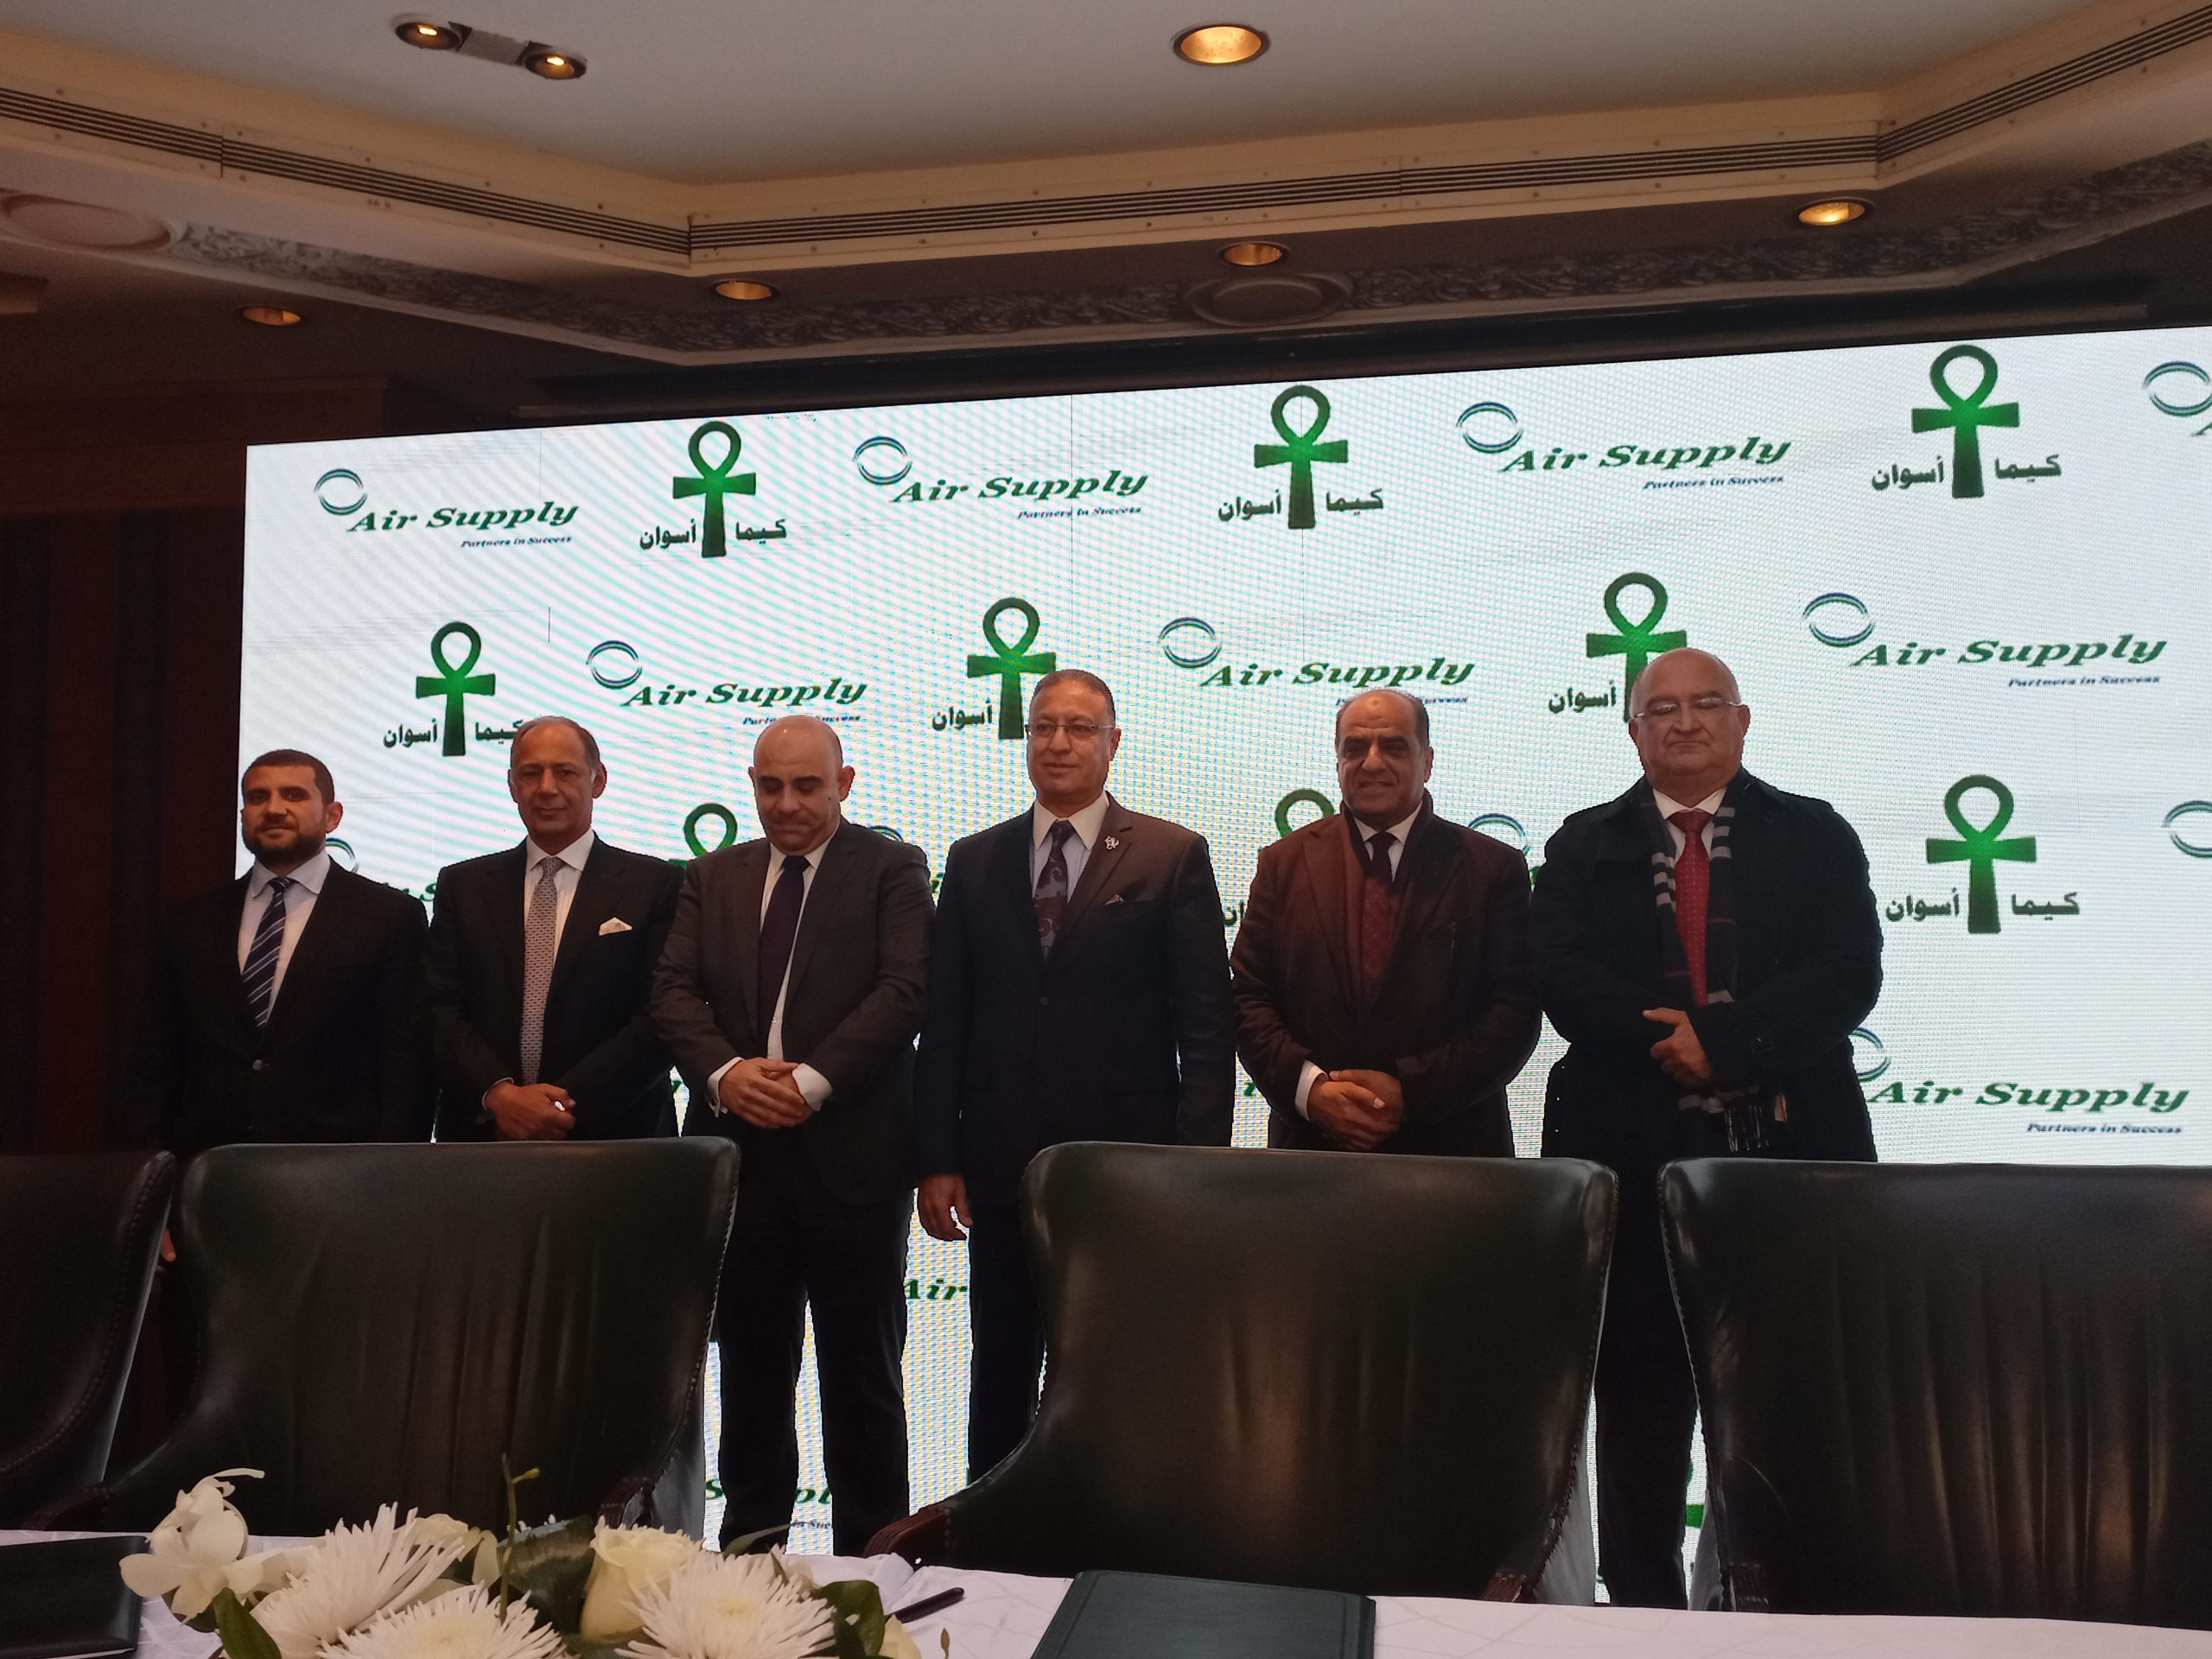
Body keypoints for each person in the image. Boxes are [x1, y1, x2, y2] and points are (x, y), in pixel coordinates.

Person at [1530, 646, 1882, 1608]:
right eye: (1662, 709)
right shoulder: (1582, 843)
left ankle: (1774, 1604)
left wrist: (1725, 1043)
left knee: (1785, 1396)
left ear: (1742, 720)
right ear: (1633, 731)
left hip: (1788, 1163)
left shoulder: (1814, 834)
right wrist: (1672, 1042)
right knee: (1639, 1399)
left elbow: (1847, 972)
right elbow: (1559, 975)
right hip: (1629, 1158)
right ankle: (1643, 1608)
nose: (1684, 722)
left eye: (1707, 703)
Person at [914, 669, 1236, 1480]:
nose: (1058, 743)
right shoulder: (974, 859)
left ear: (1113, 742)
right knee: (999, 1377)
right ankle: (993, 1536)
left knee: (1115, 1375)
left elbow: (1206, 1027)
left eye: (1080, 728)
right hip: (999, 1166)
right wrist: (938, 1156)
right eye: (1044, 727)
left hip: (1127, 1171)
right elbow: (946, 1021)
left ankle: (1110, 1531)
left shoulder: (1171, 855)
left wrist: (1196, 1167)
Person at [651, 715, 931, 1554]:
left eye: (807, 786)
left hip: (854, 1163)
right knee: (751, 1383)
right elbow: (671, 993)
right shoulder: (711, 875)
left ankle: (874, 1572)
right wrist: (726, 1074)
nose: (786, 804)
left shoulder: (891, 868)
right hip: (740, 1166)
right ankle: (748, 1565)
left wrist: (809, 1083)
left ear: (844, 784)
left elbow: (904, 990)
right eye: (770, 786)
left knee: (863, 1385)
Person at [1231, 688, 1539, 1157]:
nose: (1372, 762)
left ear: (1427, 761)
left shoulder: (1492, 869)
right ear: (1338, 760)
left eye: (1393, 746)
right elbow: (1248, 997)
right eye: (1355, 748)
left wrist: (1411, 1094)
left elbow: (1513, 1011)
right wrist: (1311, 1091)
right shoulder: (1283, 863)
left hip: (1453, 1159)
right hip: (1312, 1155)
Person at [119, 748, 430, 1155]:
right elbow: (155, 1059)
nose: (274, 809)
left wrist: (393, 1169)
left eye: (294, 795)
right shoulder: (189, 922)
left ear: (332, 816)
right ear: (243, 816)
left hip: (340, 1168)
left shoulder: (390, 916)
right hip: (209, 1166)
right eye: (257, 797)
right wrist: (152, 1170)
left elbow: (407, 1060)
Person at [425, 715, 682, 1142]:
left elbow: (662, 1016)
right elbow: (439, 1009)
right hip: (486, 1135)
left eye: (564, 772)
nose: (546, 788)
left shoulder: (657, 884)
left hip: (617, 1139)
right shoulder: (462, 886)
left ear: (598, 780)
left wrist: (556, 1108)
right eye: (531, 773)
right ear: (512, 786)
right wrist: (501, 1095)